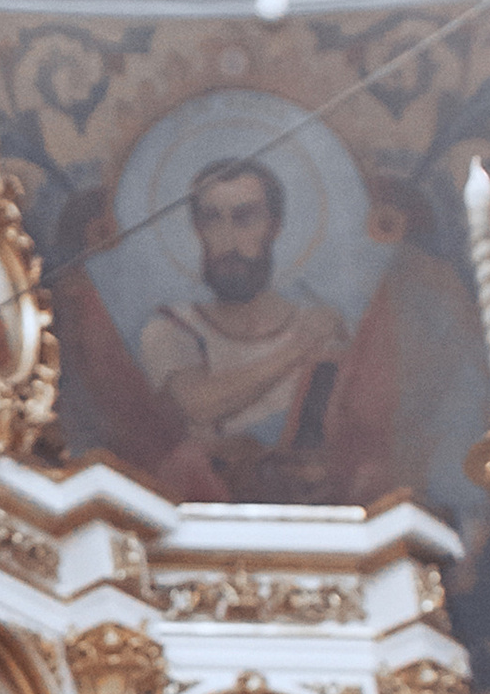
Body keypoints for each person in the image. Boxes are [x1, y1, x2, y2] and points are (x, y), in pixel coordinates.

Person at [137, 155, 350, 489]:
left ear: (274, 226)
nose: (228, 239)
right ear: (197, 229)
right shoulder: (171, 328)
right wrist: (300, 347)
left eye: (245, 218)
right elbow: (199, 404)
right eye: (212, 219)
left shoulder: (319, 322)